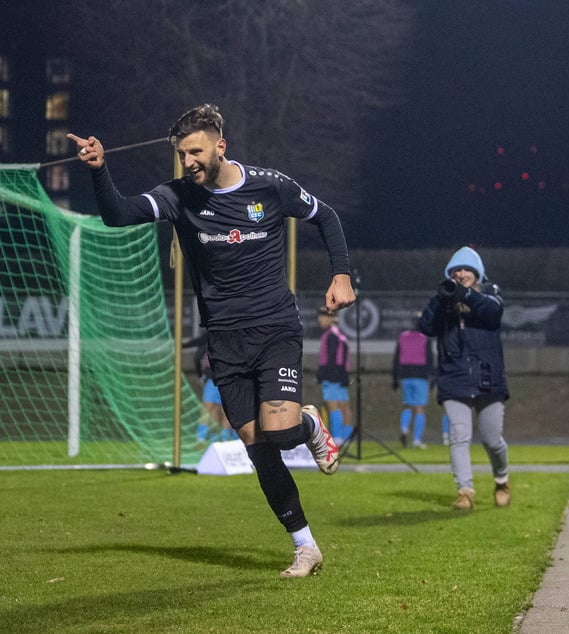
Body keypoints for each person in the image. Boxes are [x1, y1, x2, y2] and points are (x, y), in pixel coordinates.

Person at [69, 104, 356, 577]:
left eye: (196, 152)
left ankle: (309, 427)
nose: (189, 162)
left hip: (275, 330)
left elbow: (325, 216)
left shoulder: (269, 185)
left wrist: (341, 275)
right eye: (182, 155)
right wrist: (101, 171)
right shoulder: (180, 196)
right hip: (223, 342)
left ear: (220, 146)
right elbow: (118, 215)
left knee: (282, 433)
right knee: (257, 447)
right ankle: (306, 546)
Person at [419, 246, 511, 510]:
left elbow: (493, 313)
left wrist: (466, 294)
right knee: (459, 435)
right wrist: (442, 298)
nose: (461, 274)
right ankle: (465, 490)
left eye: (466, 269)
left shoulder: (490, 293)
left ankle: (502, 479)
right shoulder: (445, 301)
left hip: (487, 378)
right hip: (453, 378)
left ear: (477, 273)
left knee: (492, 440)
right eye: (456, 270)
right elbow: (426, 327)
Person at [184, 331, 234, 445]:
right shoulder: (212, 335)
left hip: (226, 381)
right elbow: (198, 354)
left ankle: (223, 438)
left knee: (223, 412)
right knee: (210, 410)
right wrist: (201, 376)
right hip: (217, 380)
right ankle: (203, 438)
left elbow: (198, 355)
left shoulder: (228, 335)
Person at [392, 314, 434, 449]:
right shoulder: (425, 338)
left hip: (405, 375)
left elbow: (396, 358)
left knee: (407, 405)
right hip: (420, 375)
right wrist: (432, 377)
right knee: (420, 408)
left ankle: (404, 429)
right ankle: (417, 439)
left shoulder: (403, 337)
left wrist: (394, 378)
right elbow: (430, 359)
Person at [316, 306, 353, 445]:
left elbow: (330, 358)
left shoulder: (330, 335)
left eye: (322, 317)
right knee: (344, 406)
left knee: (333, 406)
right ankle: (347, 436)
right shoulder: (340, 334)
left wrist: (322, 374)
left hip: (331, 376)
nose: (320, 320)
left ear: (331, 318)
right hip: (341, 375)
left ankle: (337, 438)